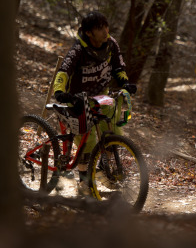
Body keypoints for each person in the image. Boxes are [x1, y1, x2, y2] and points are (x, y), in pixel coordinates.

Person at [52, 11, 137, 194]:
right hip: (78, 99)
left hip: (102, 96)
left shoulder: (111, 44)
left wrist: (125, 83)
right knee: (87, 143)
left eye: (106, 26)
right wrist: (59, 92)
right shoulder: (78, 50)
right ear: (89, 32)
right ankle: (83, 183)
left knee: (114, 133)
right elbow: (63, 72)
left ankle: (103, 170)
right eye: (100, 28)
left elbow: (119, 68)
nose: (105, 31)